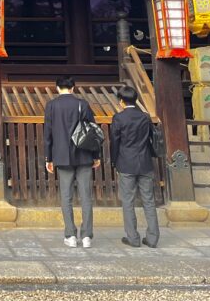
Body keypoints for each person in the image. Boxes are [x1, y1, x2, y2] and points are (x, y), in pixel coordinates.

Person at [44, 76, 100, 248]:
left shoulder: (51, 106)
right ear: (73, 88)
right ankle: (86, 236)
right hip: (84, 155)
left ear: (57, 88)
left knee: (66, 196)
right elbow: (93, 130)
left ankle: (70, 235)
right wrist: (96, 155)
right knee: (85, 196)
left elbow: (48, 133)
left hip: (61, 155)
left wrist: (49, 158)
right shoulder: (82, 104)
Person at [110, 84, 160, 248]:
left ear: (121, 101)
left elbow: (115, 142)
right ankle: (152, 238)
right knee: (149, 201)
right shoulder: (145, 117)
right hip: (145, 161)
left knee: (128, 201)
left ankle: (133, 237)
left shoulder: (119, 118)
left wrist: (114, 160)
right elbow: (151, 139)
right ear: (135, 99)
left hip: (126, 162)